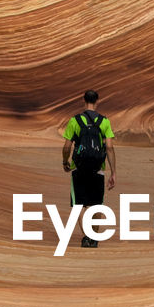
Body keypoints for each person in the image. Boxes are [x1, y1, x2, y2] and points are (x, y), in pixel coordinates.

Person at [61, 90, 116, 247]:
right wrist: (113, 172)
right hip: (98, 168)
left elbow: (66, 147)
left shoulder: (75, 121)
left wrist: (65, 162)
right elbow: (110, 148)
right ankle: (94, 238)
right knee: (96, 204)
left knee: (79, 205)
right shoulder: (104, 121)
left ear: (83, 101)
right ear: (97, 101)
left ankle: (86, 237)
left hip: (79, 168)